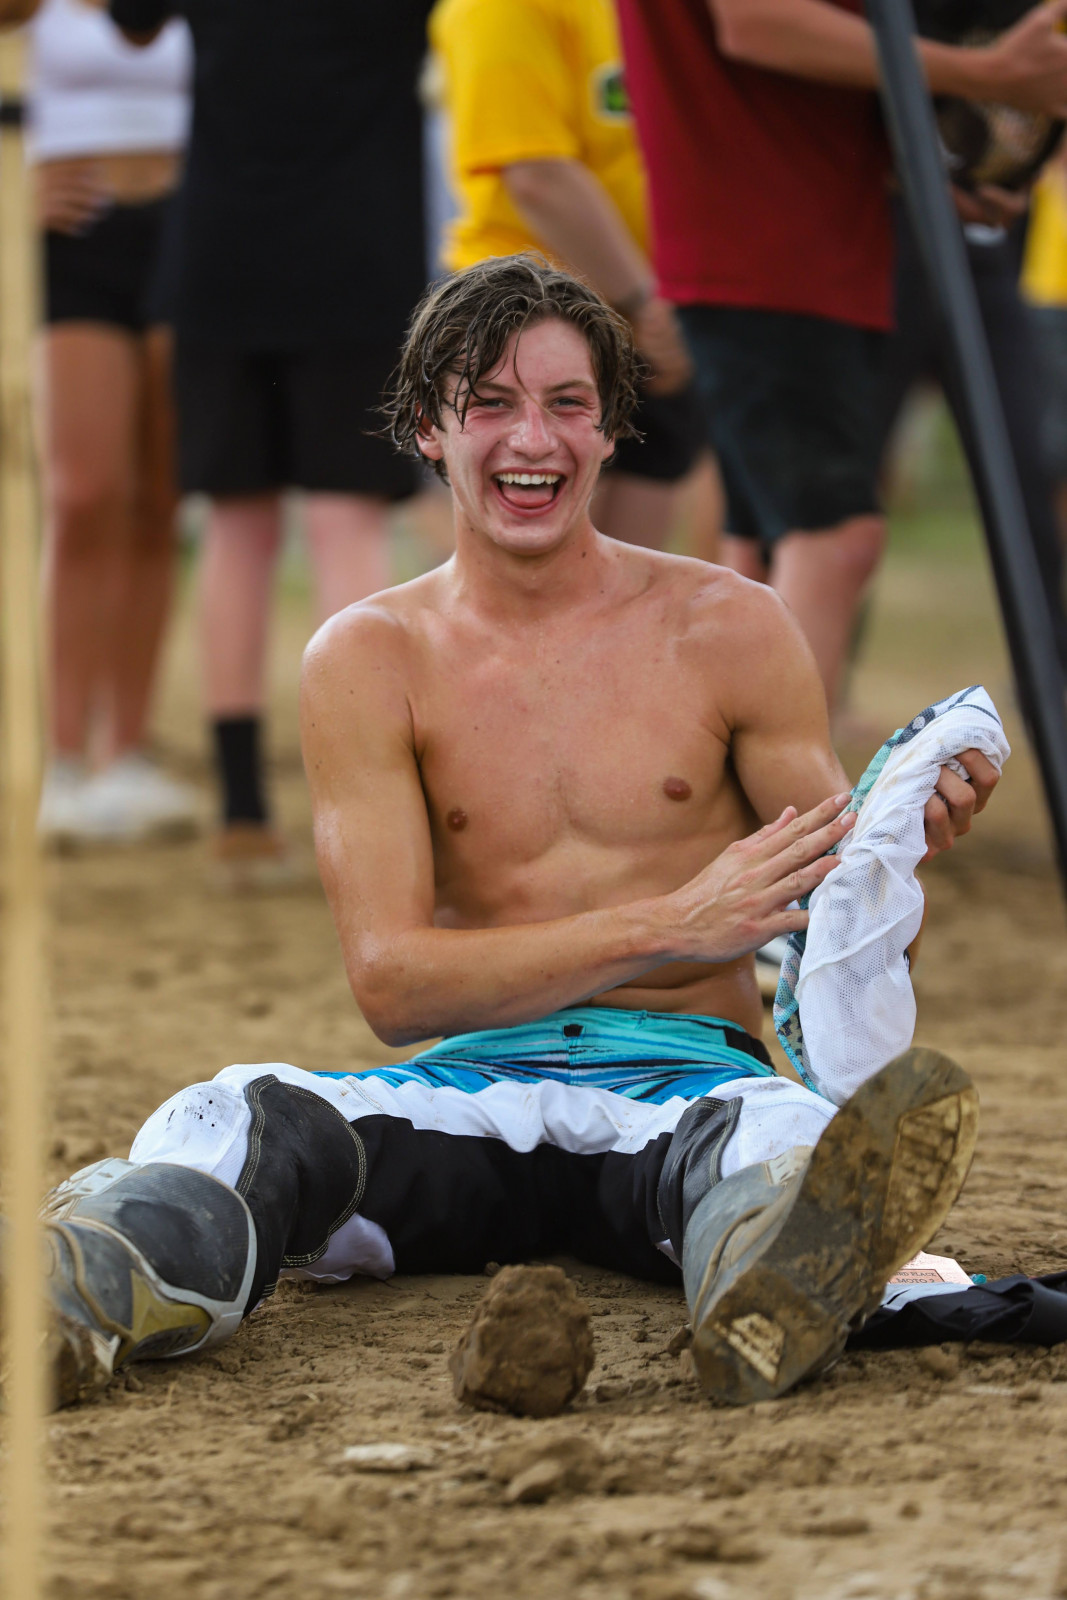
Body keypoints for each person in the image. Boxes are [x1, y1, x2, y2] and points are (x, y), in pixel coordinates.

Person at [44, 258, 997, 1411]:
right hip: (462, 1096)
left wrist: (902, 855)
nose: (527, 437)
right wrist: (672, 921)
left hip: (689, 1094)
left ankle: (778, 1279)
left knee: (784, 1147)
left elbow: (831, 923)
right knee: (235, 1117)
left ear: (608, 432)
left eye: (564, 403)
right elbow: (392, 987)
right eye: (486, 401)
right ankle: (77, 1290)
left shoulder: (731, 628)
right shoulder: (365, 658)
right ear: (425, 430)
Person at [614, 0, 1067, 709]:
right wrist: (986, 73)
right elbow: (757, 19)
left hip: (793, 235)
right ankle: (774, 810)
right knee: (831, 541)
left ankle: (736, 806)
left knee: (759, 552)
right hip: (771, 242)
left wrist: (921, 159)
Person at [110, 0, 430, 888]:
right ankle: (371, 809)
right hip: (358, 251)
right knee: (345, 521)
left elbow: (130, 21)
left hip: (223, 246)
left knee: (236, 530)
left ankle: (244, 811)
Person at [0, 0, 199, 845]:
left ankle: (127, 753)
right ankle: (61, 760)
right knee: (83, 494)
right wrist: (12, 184)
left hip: (186, 231)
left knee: (159, 499)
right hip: (73, 236)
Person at [428, 0, 705, 551]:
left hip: (650, 306)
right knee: (528, 576)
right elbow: (535, 174)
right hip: (527, 313)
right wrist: (645, 303)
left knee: (627, 586)